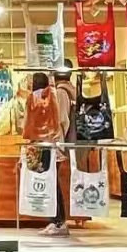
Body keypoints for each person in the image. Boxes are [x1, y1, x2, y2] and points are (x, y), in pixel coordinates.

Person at [40, 59, 75, 236]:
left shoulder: (61, 92)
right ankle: (57, 221)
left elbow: (61, 120)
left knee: (53, 183)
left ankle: (59, 222)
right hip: (61, 144)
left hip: (58, 144)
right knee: (53, 182)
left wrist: (56, 142)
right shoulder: (71, 90)